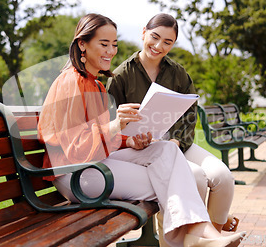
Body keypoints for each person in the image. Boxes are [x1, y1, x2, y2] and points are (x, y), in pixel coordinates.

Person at [37, 13, 245, 247]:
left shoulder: (94, 84)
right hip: (75, 174)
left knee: (166, 150)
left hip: (95, 162)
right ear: (82, 44)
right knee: (179, 178)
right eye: (103, 44)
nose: (111, 51)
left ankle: (200, 234)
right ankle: (202, 234)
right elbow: (71, 147)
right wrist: (115, 126)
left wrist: (129, 142)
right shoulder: (70, 82)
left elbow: (100, 138)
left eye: (114, 44)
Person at [106, 13, 239, 245]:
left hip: (177, 143)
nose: (158, 46)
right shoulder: (120, 76)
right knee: (196, 176)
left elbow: (189, 114)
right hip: (141, 150)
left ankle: (212, 240)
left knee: (222, 177)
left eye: (167, 42)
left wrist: (177, 141)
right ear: (143, 32)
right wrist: (133, 140)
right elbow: (110, 125)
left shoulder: (178, 73)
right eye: (155, 37)